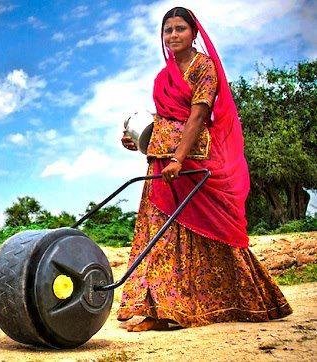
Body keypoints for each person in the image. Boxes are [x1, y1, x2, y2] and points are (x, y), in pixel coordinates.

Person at [118, 7, 292, 332]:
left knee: (209, 231)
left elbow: (197, 117)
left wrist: (179, 159)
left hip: (191, 163)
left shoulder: (204, 68)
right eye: (168, 30)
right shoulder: (162, 76)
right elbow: (164, 120)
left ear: (194, 32)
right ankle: (160, 310)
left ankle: (248, 300)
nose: (173, 35)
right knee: (160, 234)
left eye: (180, 28)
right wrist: (139, 140)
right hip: (161, 164)